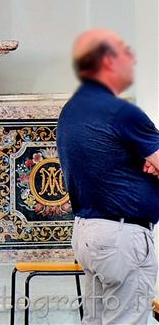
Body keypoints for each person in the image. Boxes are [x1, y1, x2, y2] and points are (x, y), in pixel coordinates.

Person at [57, 29, 159, 325]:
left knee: (98, 321)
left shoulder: (73, 108)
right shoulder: (120, 112)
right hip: (121, 237)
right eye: (126, 54)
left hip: (90, 232)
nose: (134, 60)